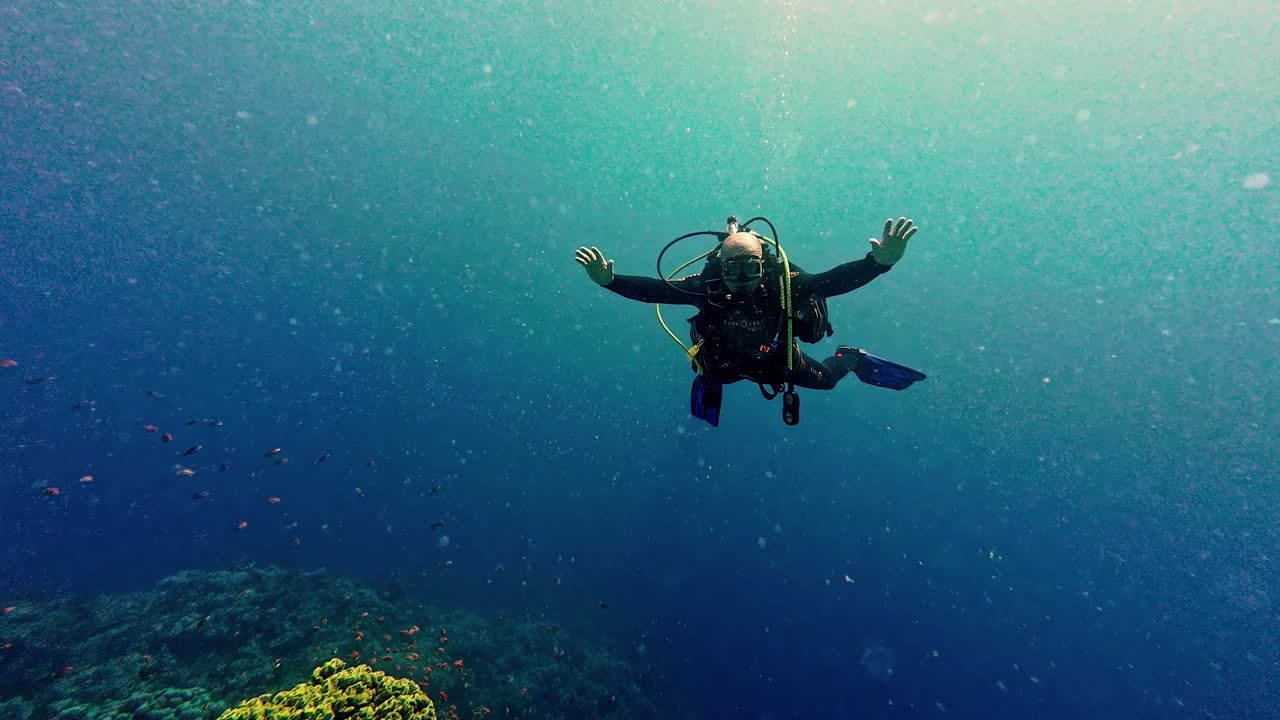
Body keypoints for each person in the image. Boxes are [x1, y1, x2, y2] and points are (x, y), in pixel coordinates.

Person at [574, 217, 926, 425]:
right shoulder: (706, 288)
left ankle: (850, 356)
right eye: (733, 268)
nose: (742, 276)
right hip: (722, 361)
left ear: (762, 265)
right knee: (715, 376)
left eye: (750, 267)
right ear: (721, 267)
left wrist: (879, 263)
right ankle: (712, 379)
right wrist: (611, 282)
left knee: (829, 381)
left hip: (777, 362)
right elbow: (654, 290)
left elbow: (832, 282)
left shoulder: (784, 285)